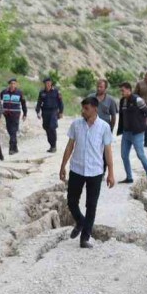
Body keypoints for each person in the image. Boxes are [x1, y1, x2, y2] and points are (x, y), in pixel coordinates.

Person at [58, 97, 116, 249]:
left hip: (96, 171)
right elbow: (70, 146)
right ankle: (81, 221)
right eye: (82, 108)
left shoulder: (104, 127)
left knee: (91, 205)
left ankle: (85, 237)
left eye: (86, 109)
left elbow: (108, 151)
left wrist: (111, 172)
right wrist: (63, 165)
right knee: (71, 201)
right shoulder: (76, 124)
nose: (83, 111)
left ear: (95, 109)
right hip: (77, 169)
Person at [116, 82, 147, 185]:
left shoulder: (138, 100)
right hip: (126, 133)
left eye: (123, 90)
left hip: (137, 133)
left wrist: (143, 127)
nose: (122, 92)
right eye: (121, 90)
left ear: (129, 90)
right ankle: (129, 177)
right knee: (124, 155)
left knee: (140, 154)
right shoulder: (123, 101)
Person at [35, 77, 65, 153]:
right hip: (45, 112)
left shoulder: (56, 91)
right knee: (46, 128)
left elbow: (60, 102)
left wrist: (61, 112)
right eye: (46, 83)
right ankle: (51, 145)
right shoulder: (42, 92)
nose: (48, 84)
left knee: (52, 127)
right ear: (44, 84)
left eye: (49, 83)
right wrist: (38, 111)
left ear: (51, 83)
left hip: (54, 112)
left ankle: (54, 145)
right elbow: (39, 102)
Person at [0, 78, 28, 154]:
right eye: (11, 83)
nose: (13, 85)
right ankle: (15, 148)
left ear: (16, 84)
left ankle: (11, 149)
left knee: (13, 131)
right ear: (9, 84)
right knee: (10, 131)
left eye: (14, 83)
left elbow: (23, 104)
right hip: (7, 115)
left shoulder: (19, 93)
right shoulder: (4, 92)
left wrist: (25, 113)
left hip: (15, 115)